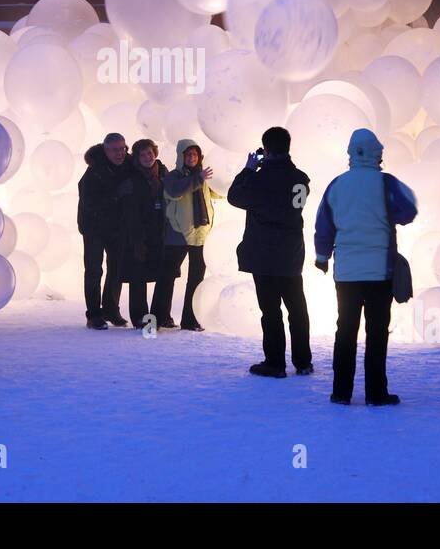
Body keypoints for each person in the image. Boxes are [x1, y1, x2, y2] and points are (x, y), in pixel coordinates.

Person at [314, 129, 417, 405]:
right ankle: (376, 392)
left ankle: (341, 392)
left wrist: (322, 258)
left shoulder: (337, 185)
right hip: (379, 273)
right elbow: (409, 212)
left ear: (351, 153)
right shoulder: (386, 184)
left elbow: (324, 226)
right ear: (376, 153)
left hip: (346, 273)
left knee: (345, 331)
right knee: (377, 333)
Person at [227, 126, 313, 378]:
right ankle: (303, 360)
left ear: (265, 149)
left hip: (263, 253)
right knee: (297, 308)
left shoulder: (259, 179)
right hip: (291, 252)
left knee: (271, 310)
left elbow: (234, 197)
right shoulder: (300, 178)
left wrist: (249, 169)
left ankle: (275, 362)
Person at [157, 138, 225, 331]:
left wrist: (227, 177)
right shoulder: (173, 177)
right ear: (181, 156)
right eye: (188, 154)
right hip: (177, 235)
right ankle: (160, 317)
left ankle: (190, 320)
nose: (192, 158)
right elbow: (175, 191)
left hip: (201, 235)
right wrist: (199, 178)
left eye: (195, 154)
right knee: (166, 278)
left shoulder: (203, 177)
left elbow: (219, 193)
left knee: (196, 281)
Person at [77, 133, 130, 329]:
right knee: (94, 271)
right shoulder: (93, 172)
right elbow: (90, 203)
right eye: (115, 149)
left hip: (117, 227)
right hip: (94, 228)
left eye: (123, 148)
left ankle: (111, 309)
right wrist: (117, 194)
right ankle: (93, 315)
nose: (120, 153)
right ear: (105, 150)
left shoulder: (126, 165)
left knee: (116, 269)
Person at [119, 139, 168, 329]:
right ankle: (140, 318)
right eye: (142, 154)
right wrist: (137, 238)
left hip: (160, 232)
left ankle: (160, 316)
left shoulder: (164, 174)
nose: (147, 157)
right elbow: (130, 211)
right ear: (137, 158)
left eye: (149, 153)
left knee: (161, 275)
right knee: (138, 276)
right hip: (138, 233)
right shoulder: (132, 179)